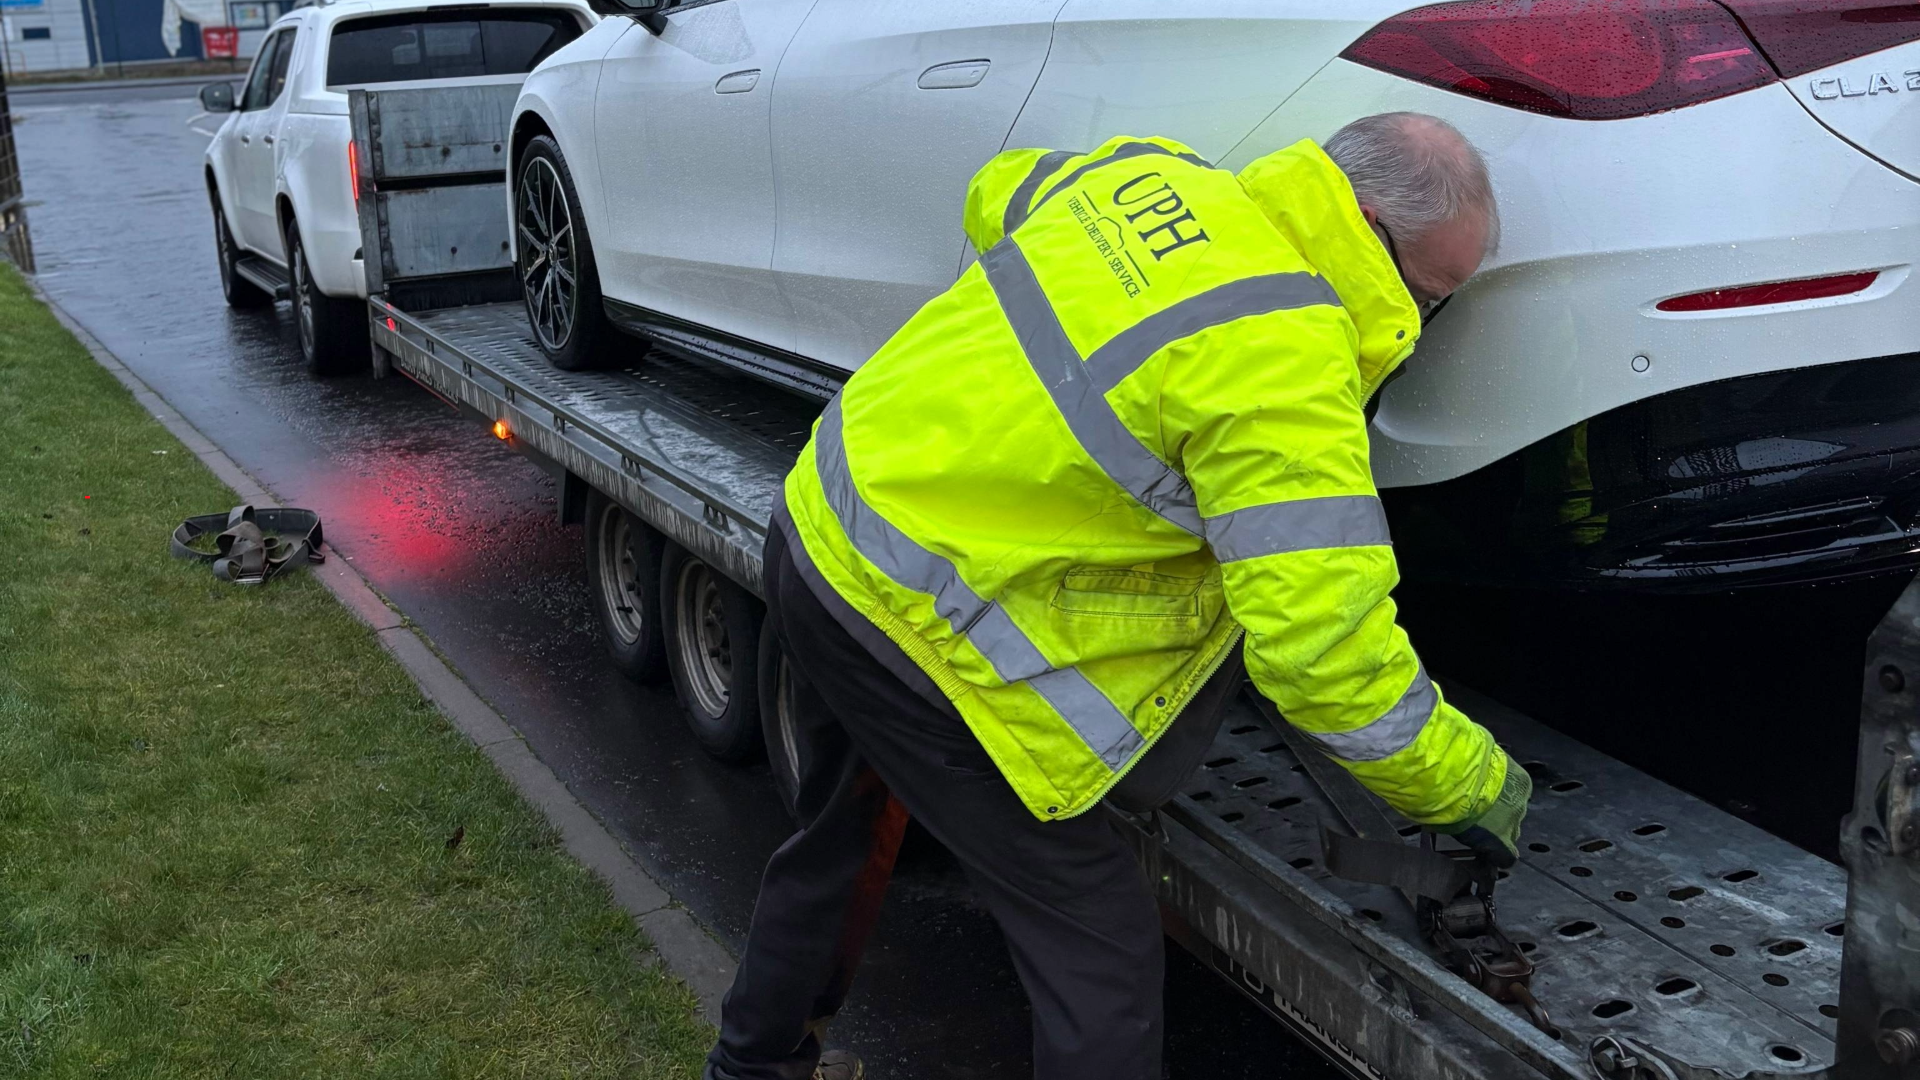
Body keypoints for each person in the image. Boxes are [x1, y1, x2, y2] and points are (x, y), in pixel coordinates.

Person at [706, 112, 1530, 1080]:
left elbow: (995, 191)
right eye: (1429, 298)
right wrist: (1479, 787)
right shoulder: (1287, 361)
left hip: (827, 530)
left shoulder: (1152, 173)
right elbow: (1327, 661)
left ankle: (753, 1066)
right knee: (1101, 961)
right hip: (928, 643)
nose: (1424, 325)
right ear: (1369, 228)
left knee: (840, 832)